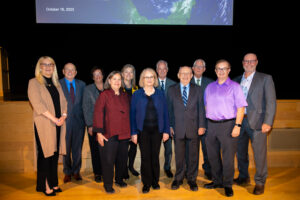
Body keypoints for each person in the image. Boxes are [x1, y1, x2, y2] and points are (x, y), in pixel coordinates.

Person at [233, 53, 276, 195]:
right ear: (242, 62)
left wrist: (268, 122)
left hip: (258, 123)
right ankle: (243, 177)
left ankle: (260, 182)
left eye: (252, 61)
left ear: (256, 62)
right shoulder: (236, 80)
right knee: (240, 153)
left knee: (259, 154)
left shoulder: (265, 79)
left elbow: (271, 102)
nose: (249, 63)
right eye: (246, 61)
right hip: (239, 121)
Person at [203, 59, 248, 197]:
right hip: (211, 126)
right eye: (218, 69)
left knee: (228, 158)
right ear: (215, 71)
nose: (221, 71)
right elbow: (206, 106)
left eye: (224, 69)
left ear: (229, 70)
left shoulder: (235, 87)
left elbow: (241, 108)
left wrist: (237, 125)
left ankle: (227, 184)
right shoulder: (209, 87)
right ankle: (217, 181)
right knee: (212, 156)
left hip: (228, 125)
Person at [28, 56, 67, 196]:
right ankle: (44, 185)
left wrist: (63, 117)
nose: (48, 67)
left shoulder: (57, 84)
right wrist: (54, 119)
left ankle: (53, 182)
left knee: (54, 154)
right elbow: (37, 104)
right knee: (45, 154)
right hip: (44, 125)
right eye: (44, 64)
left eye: (51, 64)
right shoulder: (34, 83)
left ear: (54, 67)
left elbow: (64, 103)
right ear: (39, 67)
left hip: (58, 124)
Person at [130, 68, 170, 193]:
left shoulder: (160, 93)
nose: (149, 79)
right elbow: (132, 115)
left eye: (151, 77)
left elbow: (165, 113)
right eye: (146, 77)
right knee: (145, 157)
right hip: (143, 131)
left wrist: (166, 131)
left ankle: (155, 181)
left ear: (155, 79)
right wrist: (133, 132)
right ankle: (146, 183)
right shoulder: (136, 94)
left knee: (155, 157)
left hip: (157, 131)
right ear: (142, 79)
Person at [167, 66, 206, 192]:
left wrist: (202, 125)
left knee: (193, 156)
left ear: (191, 75)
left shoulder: (198, 90)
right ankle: (178, 178)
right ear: (178, 75)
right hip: (177, 128)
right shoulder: (171, 90)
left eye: (188, 73)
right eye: (182, 73)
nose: (185, 76)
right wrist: (170, 126)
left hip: (194, 128)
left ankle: (192, 179)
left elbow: (201, 109)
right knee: (179, 156)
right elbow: (169, 110)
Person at [93, 71, 131, 194]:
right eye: (114, 79)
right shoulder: (104, 95)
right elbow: (98, 113)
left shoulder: (125, 96)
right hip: (109, 133)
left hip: (124, 133)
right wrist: (99, 133)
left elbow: (130, 114)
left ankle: (119, 179)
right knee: (108, 161)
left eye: (119, 79)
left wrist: (132, 132)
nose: (117, 81)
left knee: (122, 159)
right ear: (109, 81)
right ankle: (108, 184)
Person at [59, 63, 86, 183]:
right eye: (67, 69)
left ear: (76, 72)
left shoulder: (82, 85)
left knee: (77, 148)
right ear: (63, 71)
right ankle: (67, 172)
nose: (70, 71)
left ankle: (76, 171)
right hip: (64, 121)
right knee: (65, 149)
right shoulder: (57, 84)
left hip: (79, 122)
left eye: (72, 70)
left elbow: (85, 104)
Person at [191, 59, 214, 180]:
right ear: (193, 68)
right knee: (192, 150)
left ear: (204, 69)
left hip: (206, 123)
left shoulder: (211, 83)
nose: (199, 68)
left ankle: (208, 170)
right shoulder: (186, 81)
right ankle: (191, 172)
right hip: (191, 123)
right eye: (196, 66)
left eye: (201, 66)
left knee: (207, 149)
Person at [82, 66, 104, 183]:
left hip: (108, 125)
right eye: (95, 74)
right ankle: (98, 173)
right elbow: (86, 107)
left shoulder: (109, 87)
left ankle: (106, 171)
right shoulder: (88, 89)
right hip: (94, 125)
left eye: (99, 73)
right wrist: (89, 125)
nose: (98, 76)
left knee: (106, 150)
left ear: (103, 75)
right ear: (92, 77)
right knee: (95, 150)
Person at [156, 60, 176, 178]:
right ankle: (155, 169)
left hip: (168, 123)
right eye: (160, 68)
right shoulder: (151, 84)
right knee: (155, 149)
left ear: (167, 70)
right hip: (155, 124)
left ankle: (167, 168)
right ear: (157, 70)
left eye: (164, 69)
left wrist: (172, 124)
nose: (162, 71)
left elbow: (174, 107)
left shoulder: (174, 85)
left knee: (168, 149)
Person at [121, 64, 139, 178]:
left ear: (133, 75)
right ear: (122, 74)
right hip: (122, 123)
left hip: (134, 123)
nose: (128, 74)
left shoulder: (137, 89)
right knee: (123, 148)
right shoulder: (118, 88)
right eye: (126, 72)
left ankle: (131, 166)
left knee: (133, 146)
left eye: (131, 72)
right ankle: (123, 169)